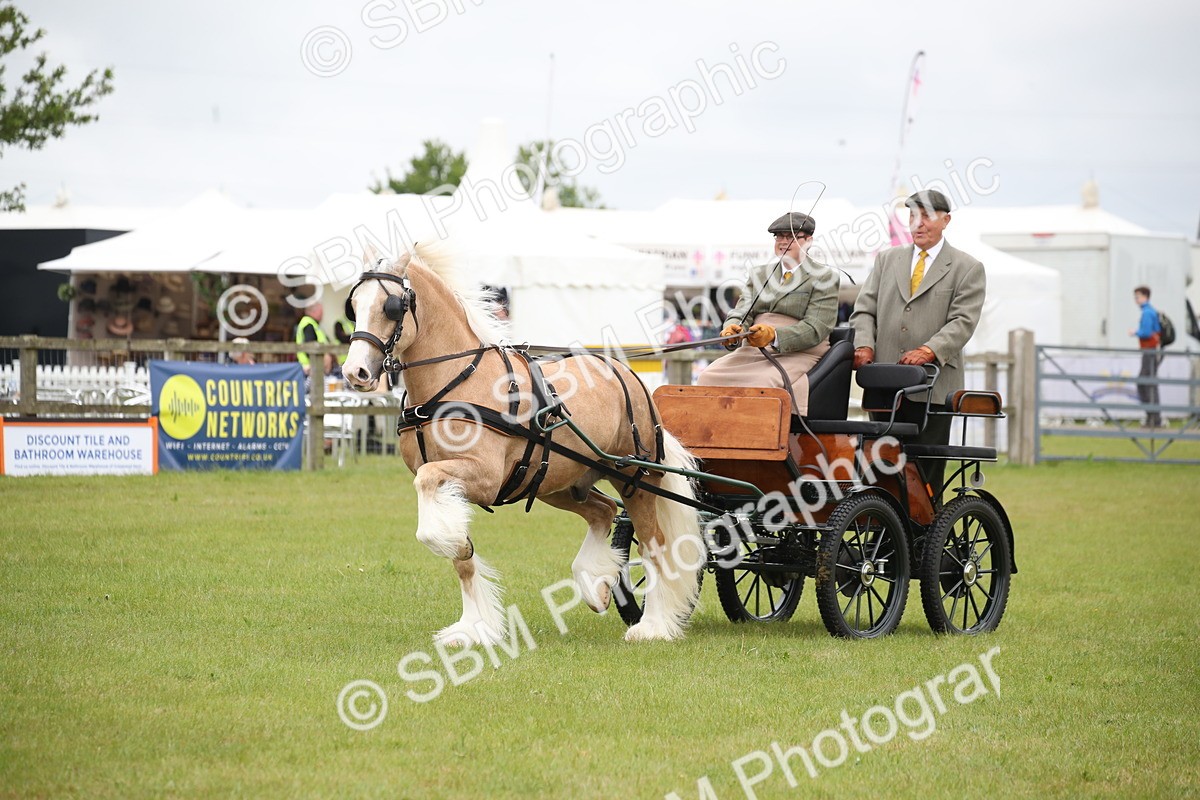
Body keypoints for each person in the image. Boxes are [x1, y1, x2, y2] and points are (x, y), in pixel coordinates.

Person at [850, 189, 985, 499]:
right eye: (912, 216)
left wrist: (929, 350)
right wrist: (864, 345)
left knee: (924, 470)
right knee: (879, 466)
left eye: (926, 216)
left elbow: (963, 322)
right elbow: (864, 309)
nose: (917, 223)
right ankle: (884, 538)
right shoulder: (887, 259)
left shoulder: (967, 267)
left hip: (934, 388)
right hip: (885, 385)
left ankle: (924, 539)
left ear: (946, 220)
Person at [697, 211, 838, 415]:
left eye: (791, 237)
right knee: (708, 377)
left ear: (808, 240)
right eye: (779, 236)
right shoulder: (759, 274)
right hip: (754, 348)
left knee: (761, 384)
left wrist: (774, 336)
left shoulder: (824, 277)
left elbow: (816, 327)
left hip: (799, 351)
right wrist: (733, 329)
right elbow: (742, 311)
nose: (783, 241)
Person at [1128, 286, 1162, 428]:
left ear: (1145, 296)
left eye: (1137, 296)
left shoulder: (1147, 312)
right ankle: (1153, 417)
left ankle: (1153, 417)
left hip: (1150, 351)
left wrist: (1135, 332)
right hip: (1151, 351)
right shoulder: (1149, 311)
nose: (1136, 299)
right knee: (1149, 383)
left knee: (1144, 383)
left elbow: (1146, 332)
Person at [295, 302, 334, 376]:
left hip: (314, 366)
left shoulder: (312, 323)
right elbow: (310, 346)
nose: (323, 314)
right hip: (311, 368)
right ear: (315, 311)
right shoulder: (308, 324)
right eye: (321, 311)